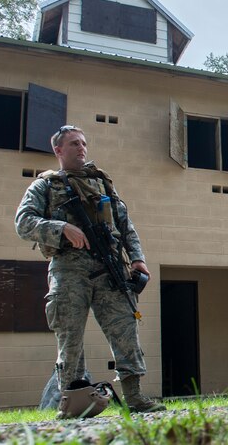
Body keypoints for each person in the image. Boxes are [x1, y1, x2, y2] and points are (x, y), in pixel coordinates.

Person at [14, 125, 165, 416]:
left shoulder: (102, 183)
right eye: (74, 143)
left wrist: (137, 259)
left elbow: (125, 224)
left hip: (109, 268)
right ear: (58, 150)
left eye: (83, 143)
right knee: (70, 337)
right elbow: (23, 222)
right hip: (69, 270)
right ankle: (73, 403)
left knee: (125, 329)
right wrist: (61, 228)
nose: (81, 148)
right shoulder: (45, 186)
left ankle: (134, 397)